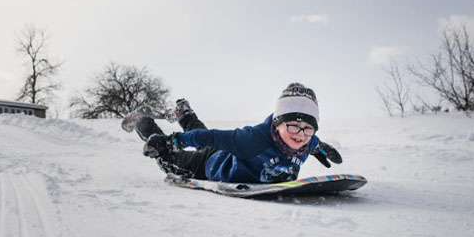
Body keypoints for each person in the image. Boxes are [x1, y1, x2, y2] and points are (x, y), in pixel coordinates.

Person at [134, 83, 343, 183]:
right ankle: (143, 122)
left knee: (201, 133)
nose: (300, 134)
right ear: (277, 124)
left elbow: (313, 142)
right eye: (292, 126)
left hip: (225, 153)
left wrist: (321, 149)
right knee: (168, 157)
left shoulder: (307, 142)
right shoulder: (252, 140)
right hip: (206, 165)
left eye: (308, 128)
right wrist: (172, 141)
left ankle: (184, 114)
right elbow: (212, 137)